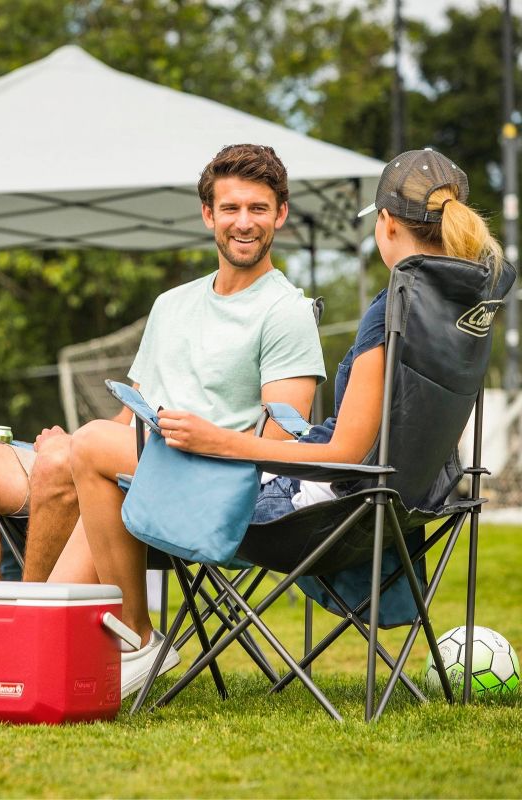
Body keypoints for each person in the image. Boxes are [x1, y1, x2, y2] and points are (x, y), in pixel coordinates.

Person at [63, 147, 507, 698]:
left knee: (89, 446)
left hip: (311, 510)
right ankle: (47, 637)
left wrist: (219, 442)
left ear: (387, 225)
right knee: (93, 453)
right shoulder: (460, 311)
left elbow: (343, 454)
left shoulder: (394, 312)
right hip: (411, 504)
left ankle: (135, 633)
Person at [0, 143, 326, 585]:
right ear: (209, 215)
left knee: (67, 459)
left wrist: (82, 452)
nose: (243, 222)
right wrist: (70, 443)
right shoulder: (171, 305)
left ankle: (25, 626)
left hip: (212, 489)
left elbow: (281, 445)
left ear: (280, 214)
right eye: (230, 207)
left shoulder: (286, 310)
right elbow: (128, 419)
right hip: (126, 465)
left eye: (258, 208)